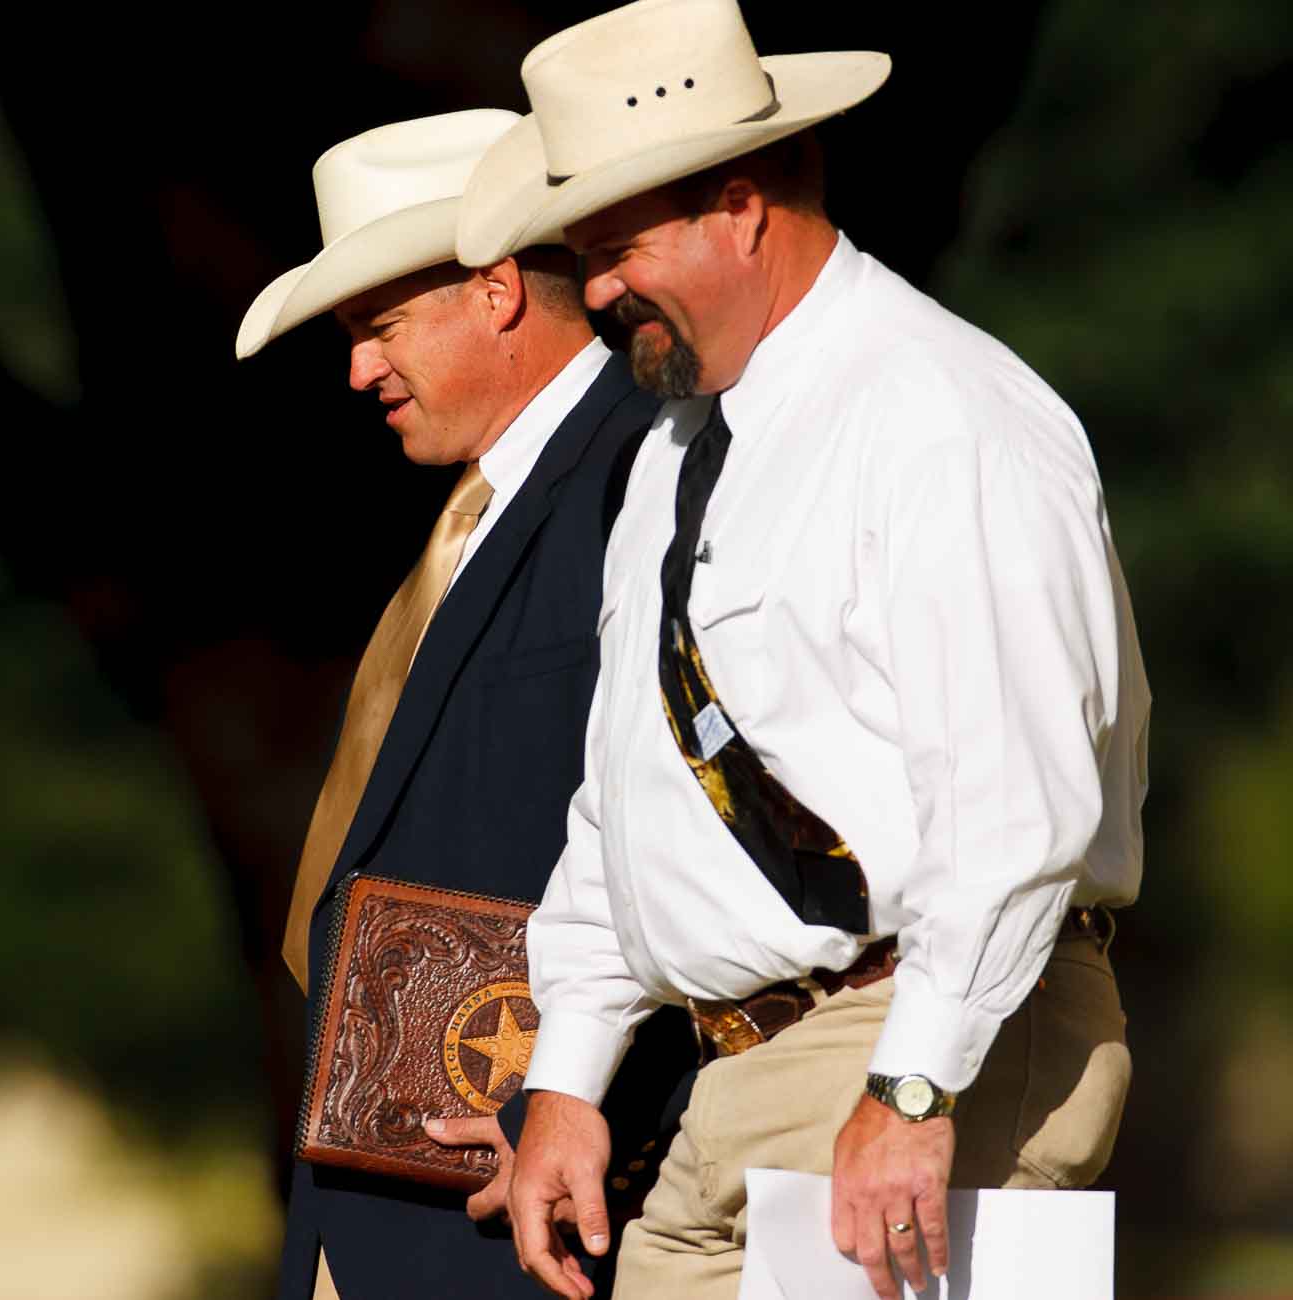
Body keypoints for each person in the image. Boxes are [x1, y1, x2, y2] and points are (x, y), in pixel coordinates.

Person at [453, 3, 1153, 1298]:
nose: (594, 292)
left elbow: (1017, 804)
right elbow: (628, 798)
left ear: (739, 205)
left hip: (925, 1047)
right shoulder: (674, 453)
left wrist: (914, 1085)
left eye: (616, 247)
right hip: (752, 1083)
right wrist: (565, 1075)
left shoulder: (942, 417)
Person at [237, 108, 686, 1300]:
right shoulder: (482, 514)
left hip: (524, 1210)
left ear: (495, 291)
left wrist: (585, 1107)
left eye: (379, 327)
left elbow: (683, 828)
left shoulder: (648, 475)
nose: (357, 369)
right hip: (376, 1206)